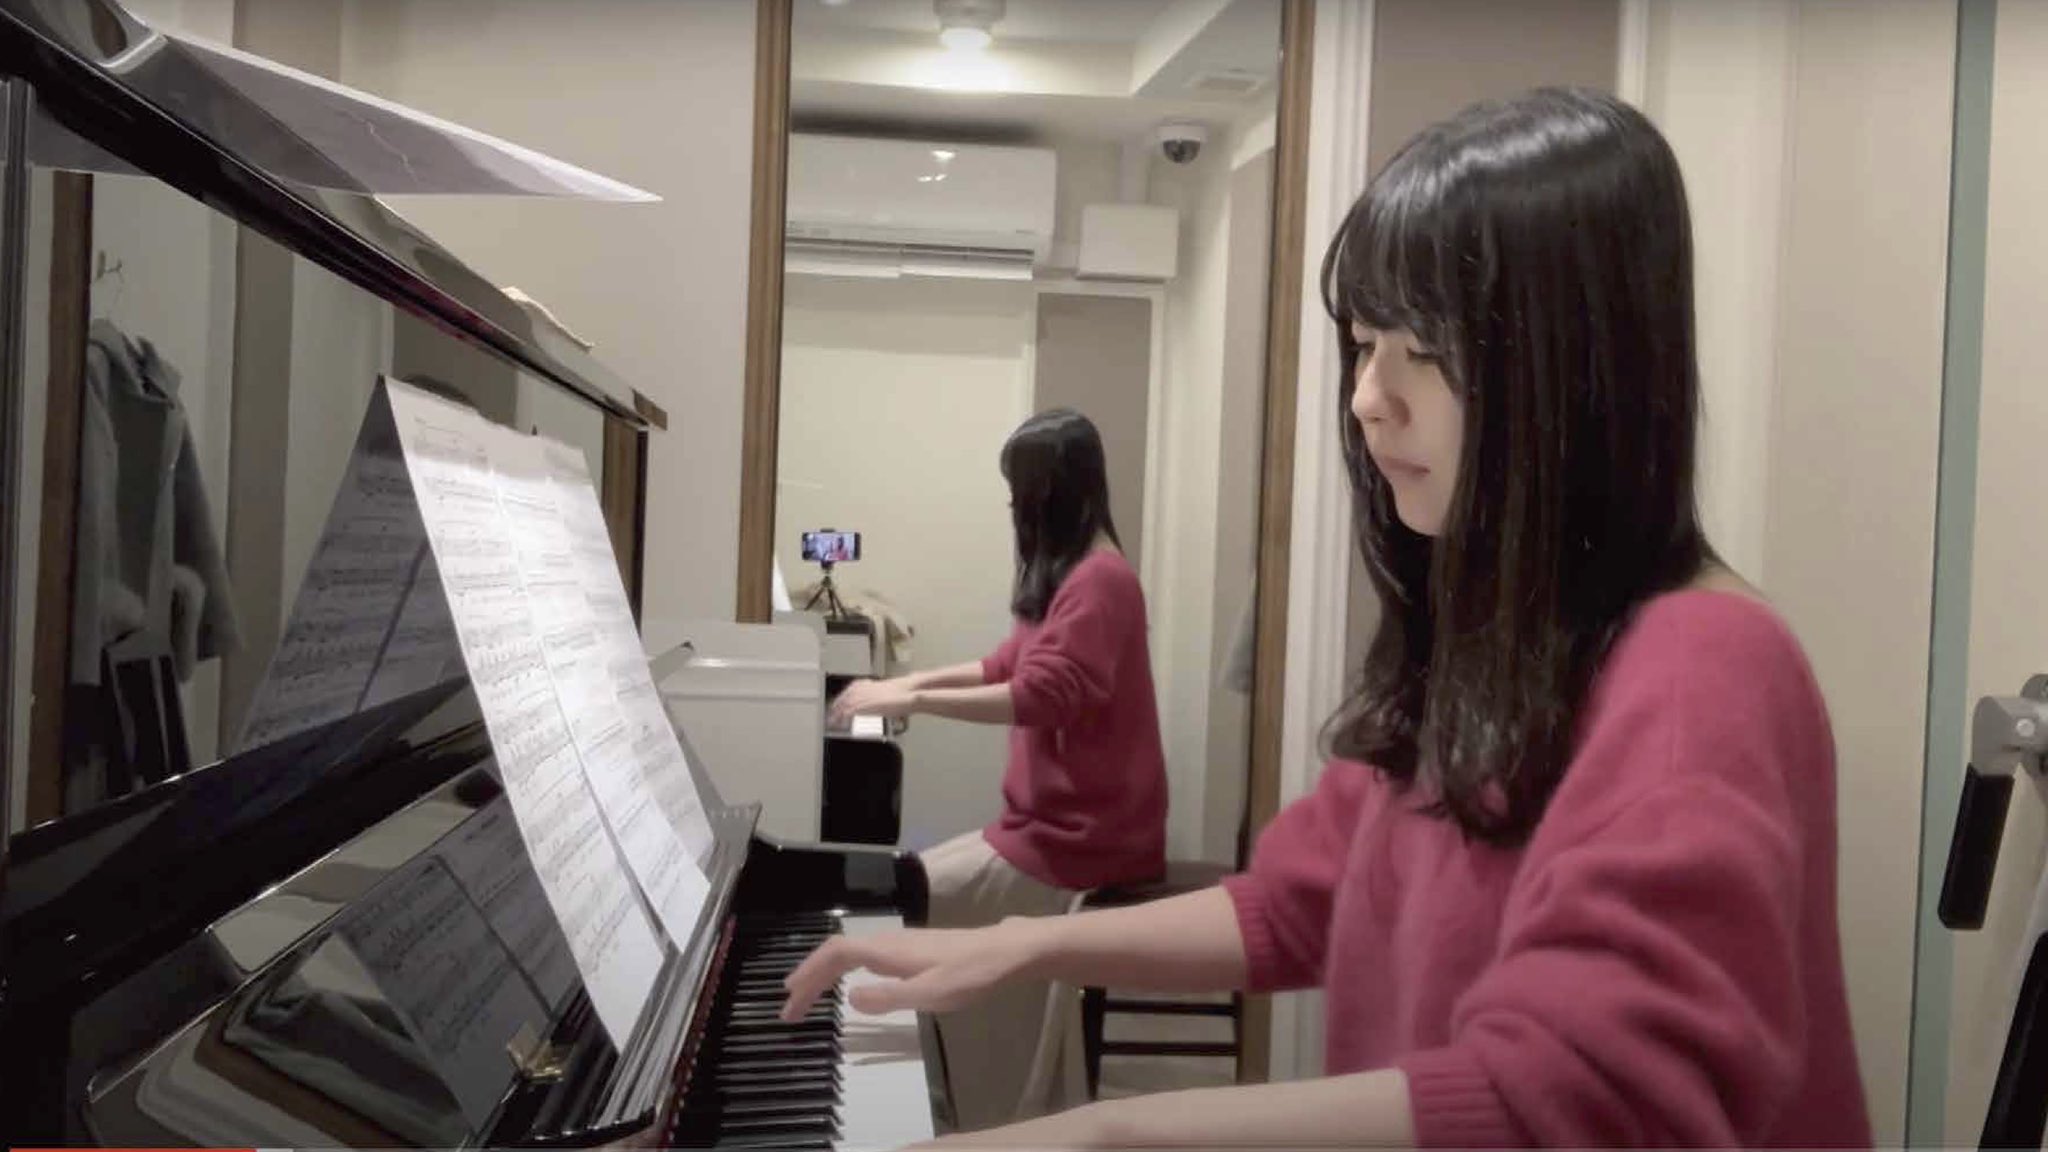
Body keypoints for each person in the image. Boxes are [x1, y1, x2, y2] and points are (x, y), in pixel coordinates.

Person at [785, 88, 1871, 1148]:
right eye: (1362, 343)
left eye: (1423, 350)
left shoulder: (1702, 670)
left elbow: (1579, 1103)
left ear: (1575, 367)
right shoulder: (1483, 653)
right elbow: (1298, 902)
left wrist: (1104, 1131)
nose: (1365, 398)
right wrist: (1025, 947)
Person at [829, 407, 1168, 1132]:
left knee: (920, 901)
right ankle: (967, 1101)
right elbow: (1003, 665)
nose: (1013, 509)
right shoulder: (1071, 575)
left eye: (1020, 495)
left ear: (1050, 497)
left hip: (1084, 839)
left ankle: (1013, 1115)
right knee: (910, 885)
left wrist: (912, 699)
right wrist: (904, 685)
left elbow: (1042, 695)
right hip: (1041, 828)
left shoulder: (1103, 582)